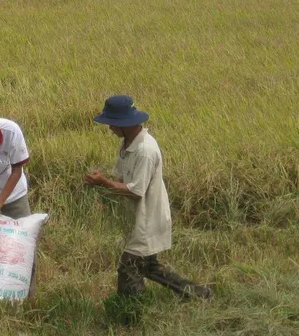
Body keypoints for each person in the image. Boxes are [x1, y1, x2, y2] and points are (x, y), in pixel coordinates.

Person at [85, 95, 212, 300]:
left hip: (147, 219)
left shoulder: (145, 151)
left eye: (112, 124)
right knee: (151, 268)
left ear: (124, 124)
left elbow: (136, 191)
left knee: (129, 269)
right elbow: (121, 178)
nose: (110, 128)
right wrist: (104, 189)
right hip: (137, 216)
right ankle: (199, 294)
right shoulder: (128, 144)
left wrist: (104, 183)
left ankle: (131, 313)